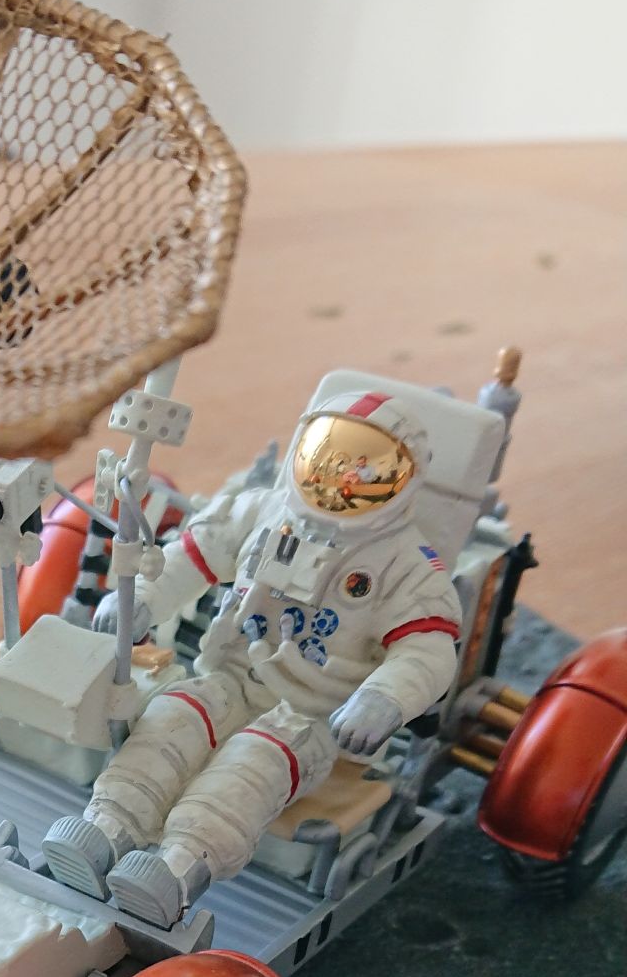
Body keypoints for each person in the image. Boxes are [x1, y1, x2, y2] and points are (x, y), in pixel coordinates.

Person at [42, 389, 462, 928]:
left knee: (248, 767)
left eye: (365, 473)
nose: (339, 481)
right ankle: (105, 829)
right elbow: (188, 557)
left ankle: (176, 872)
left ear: (404, 484)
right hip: (227, 680)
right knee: (169, 722)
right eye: (327, 459)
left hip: (310, 718)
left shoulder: (406, 566)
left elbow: (427, 648)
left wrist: (384, 698)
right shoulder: (260, 511)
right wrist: (142, 600)